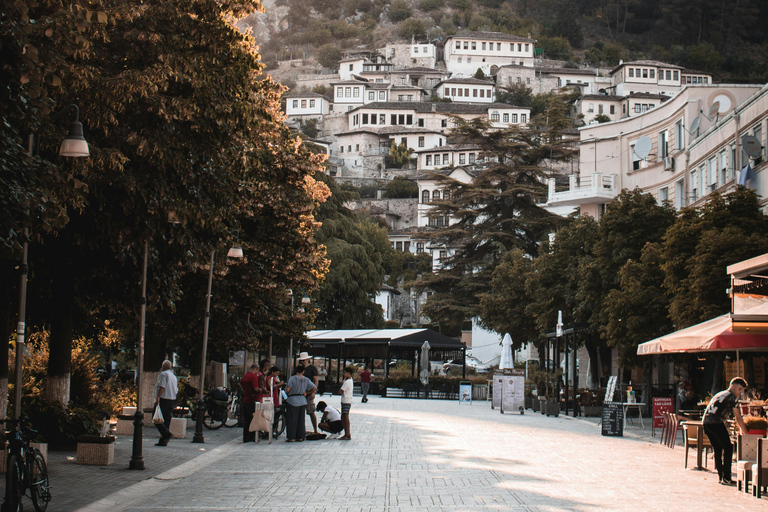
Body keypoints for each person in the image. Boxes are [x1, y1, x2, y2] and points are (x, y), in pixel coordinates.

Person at [702, 376, 749, 485]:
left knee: (718, 449)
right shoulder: (732, 397)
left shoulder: (720, 394)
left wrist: (725, 426)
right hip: (715, 423)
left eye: (742, 390)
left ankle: (721, 477)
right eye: (739, 389)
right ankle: (726, 477)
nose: (740, 392)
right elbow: (738, 417)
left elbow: (716, 410)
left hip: (706, 423)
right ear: (732, 386)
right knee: (728, 447)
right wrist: (746, 433)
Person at [284, 364, 316, 442]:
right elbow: (314, 387)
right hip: (302, 400)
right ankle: (300, 436)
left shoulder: (292, 378)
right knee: (301, 419)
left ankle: (291, 437)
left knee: (292, 419)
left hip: (292, 400)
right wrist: (307, 392)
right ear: (303, 371)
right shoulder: (306, 379)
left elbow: (287, 390)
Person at [154, 360, 178, 446]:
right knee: (166, 420)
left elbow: (162, 386)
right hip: (171, 400)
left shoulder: (163, 374)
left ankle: (166, 434)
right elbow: (176, 390)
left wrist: (158, 397)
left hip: (164, 399)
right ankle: (163, 440)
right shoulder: (173, 376)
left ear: (163, 367)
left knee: (156, 418)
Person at [298, 352, 320, 434]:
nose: (303, 362)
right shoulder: (300, 368)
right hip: (301, 392)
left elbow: (316, 380)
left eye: (304, 360)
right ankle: (302, 429)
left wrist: (313, 392)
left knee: (311, 411)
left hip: (309, 391)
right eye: (301, 361)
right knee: (301, 412)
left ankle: (315, 430)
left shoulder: (312, 368)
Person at [240, 363, 261, 443]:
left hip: (245, 399)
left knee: (246, 420)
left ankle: (246, 437)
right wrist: (260, 390)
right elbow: (256, 388)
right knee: (252, 419)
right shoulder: (253, 376)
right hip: (251, 399)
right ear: (256, 369)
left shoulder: (245, 376)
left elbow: (240, 384)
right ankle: (251, 436)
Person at [334, 366, 354, 440]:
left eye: (345, 373)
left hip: (346, 400)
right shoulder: (349, 380)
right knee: (344, 416)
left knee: (345, 416)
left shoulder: (347, 382)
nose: (344, 374)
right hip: (347, 400)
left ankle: (347, 434)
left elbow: (340, 391)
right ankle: (347, 433)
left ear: (349, 373)